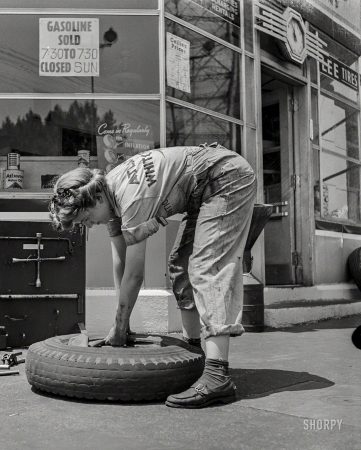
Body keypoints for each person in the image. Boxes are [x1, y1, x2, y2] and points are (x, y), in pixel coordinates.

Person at [49, 143, 257, 409]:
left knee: (207, 266)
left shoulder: (131, 198)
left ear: (95, 199)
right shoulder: (108, 193)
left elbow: (135, 274)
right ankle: (195, 354)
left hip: (227, 177)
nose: (89, 226)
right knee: (180, 265)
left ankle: (218, 376)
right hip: (202, 187)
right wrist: (120, 323)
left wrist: (120, 326)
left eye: (85, 218)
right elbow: (120, 262)